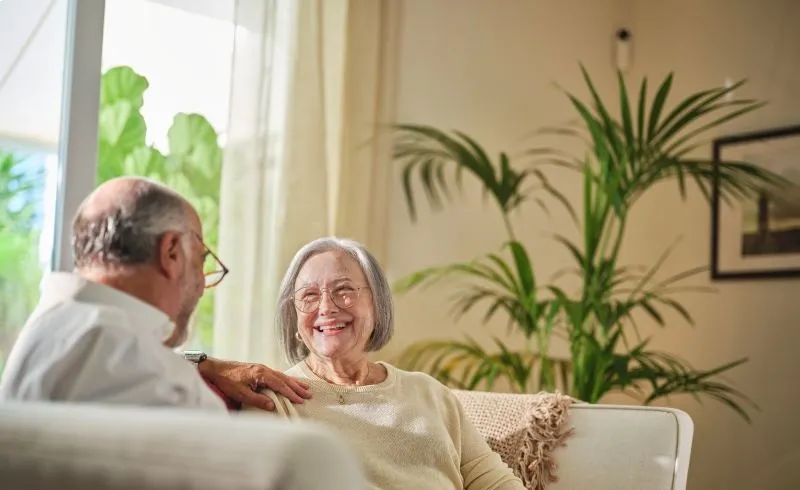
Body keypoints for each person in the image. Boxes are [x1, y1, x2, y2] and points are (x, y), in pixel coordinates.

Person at [0, 177, 311, 411]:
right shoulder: (161, 383)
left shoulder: (52, 327)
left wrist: (200, 362)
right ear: (172, 252)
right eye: (201, 259)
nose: (203, 284)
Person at [243, 237, 525, 490]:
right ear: (294, 320)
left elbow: (495, 483)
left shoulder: (430, 393)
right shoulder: (274, 403)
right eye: (309, 295)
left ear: (377, 305)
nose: (326, 307)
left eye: (343, 289)